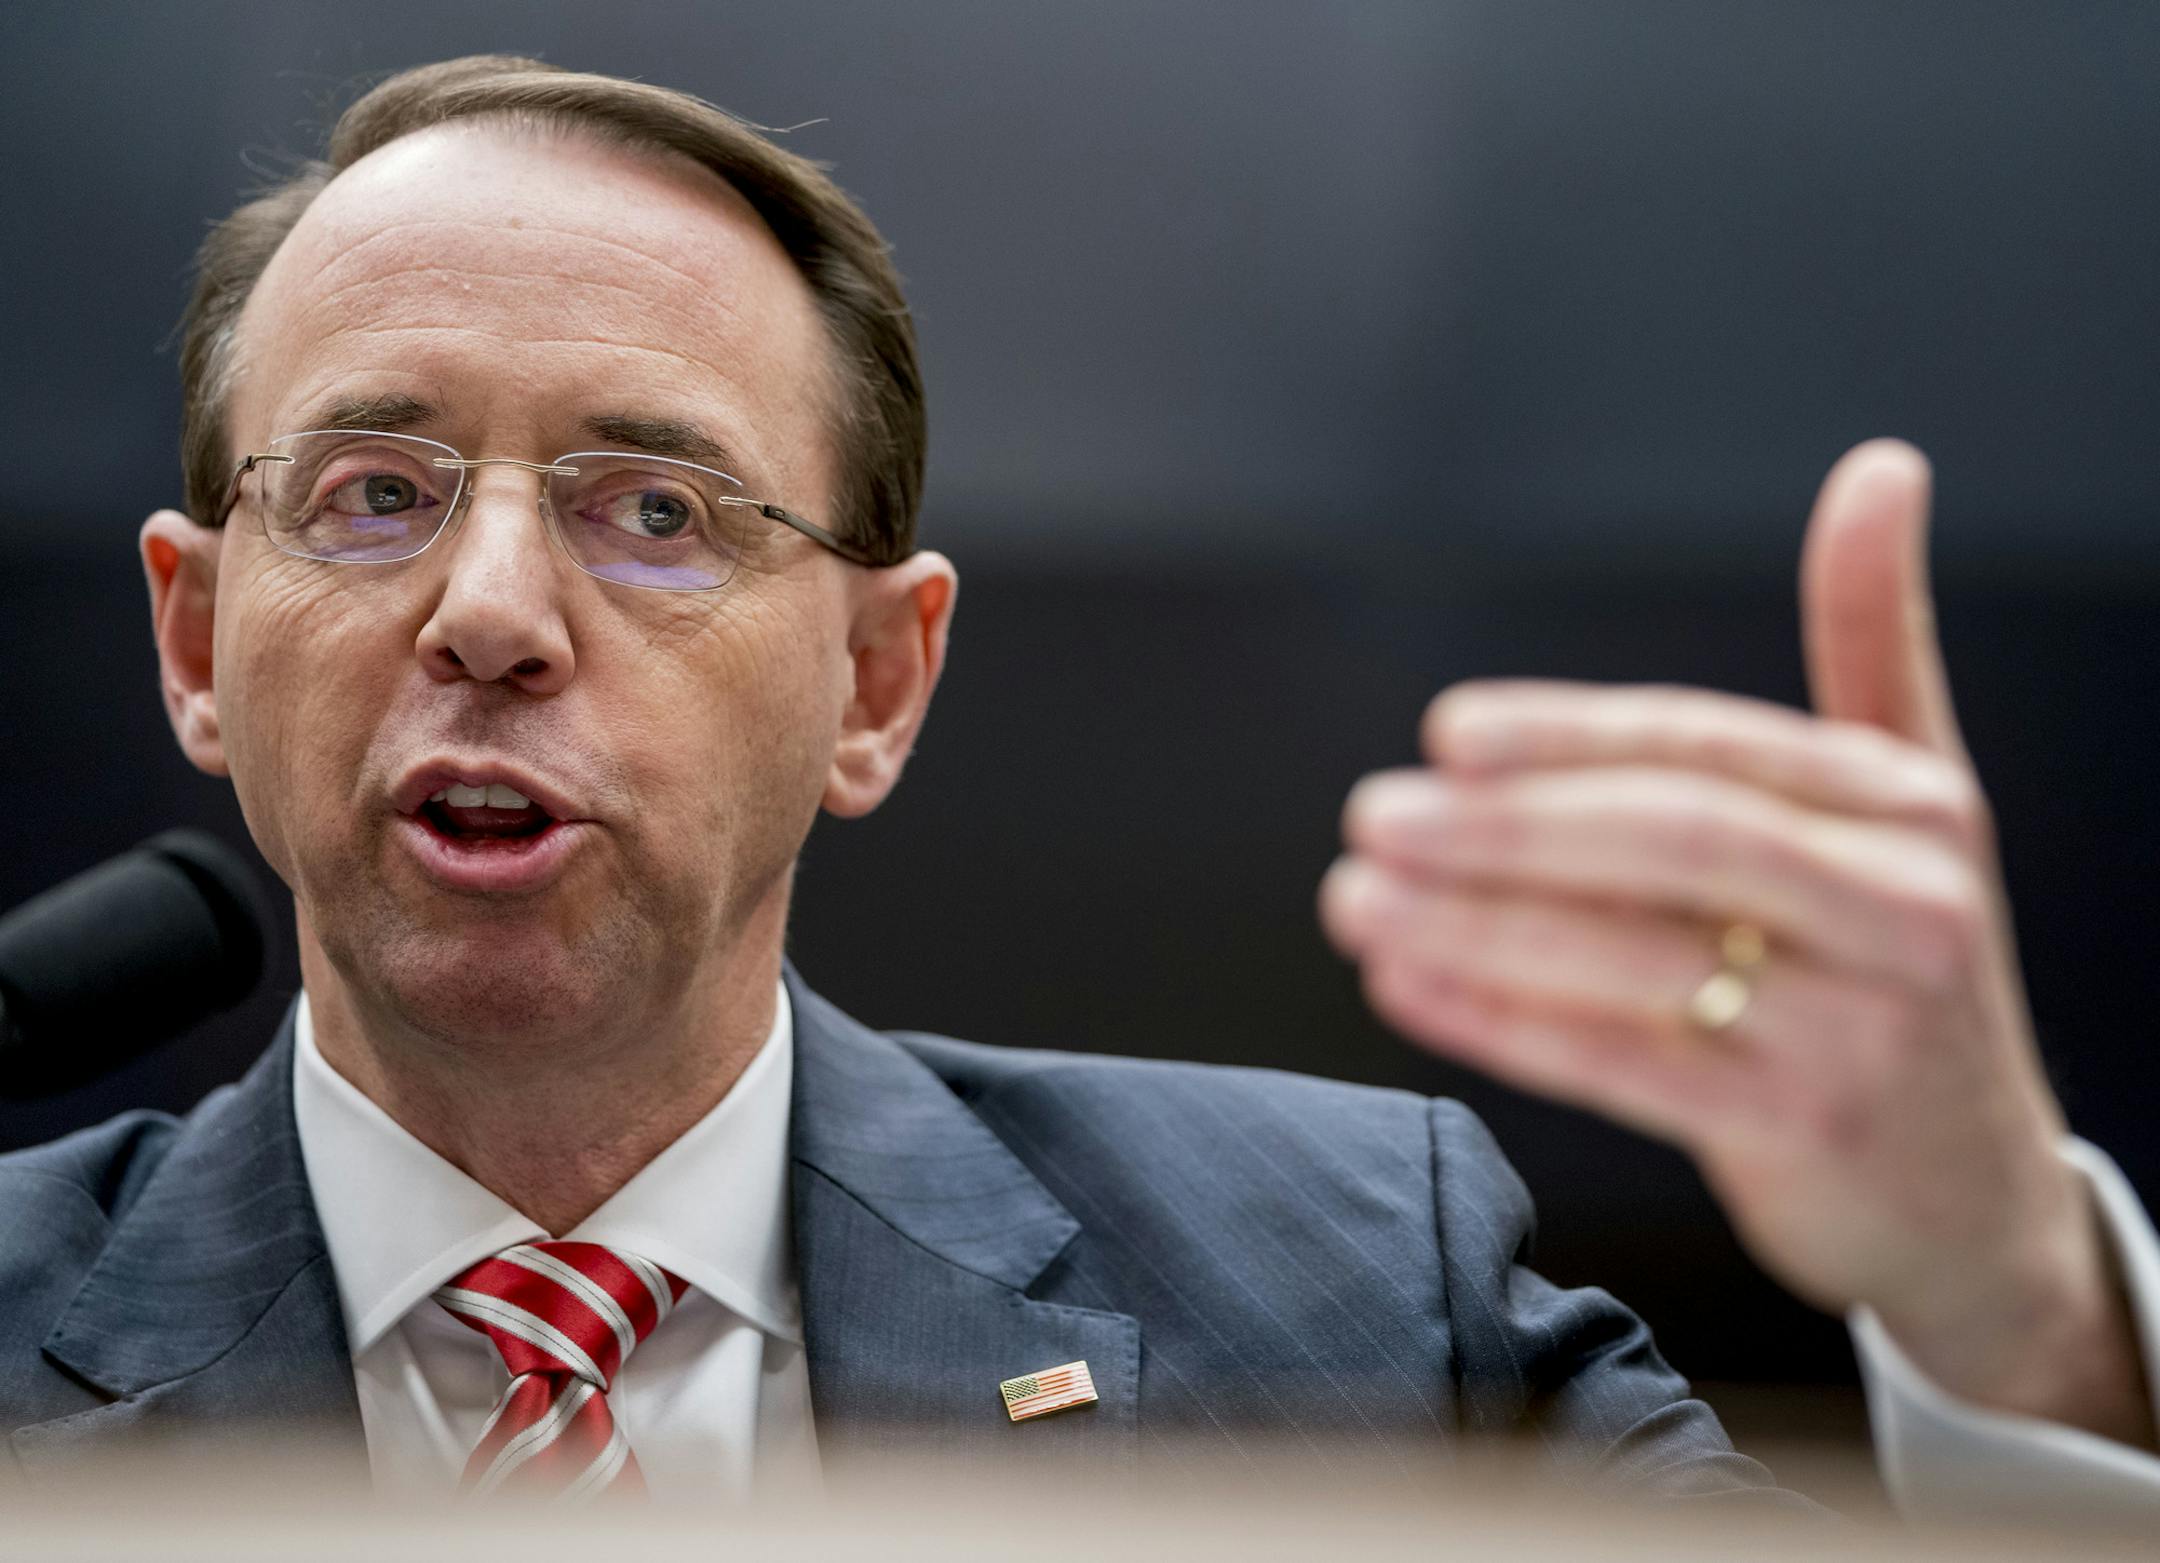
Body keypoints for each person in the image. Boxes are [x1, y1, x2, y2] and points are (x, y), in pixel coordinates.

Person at [1, 54, 2154, 1523]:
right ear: (199, 640)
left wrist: (2018, 1317)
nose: (489, 609)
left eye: (653, 507)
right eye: (375, 491)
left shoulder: (1354, 1294)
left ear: (874, 679)